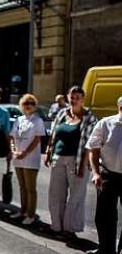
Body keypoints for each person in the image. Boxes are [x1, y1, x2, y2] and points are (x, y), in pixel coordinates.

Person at [45, 86, 98, 241]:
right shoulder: (62, 113)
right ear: (68, 97)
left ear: (82, 99)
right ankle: (56, 226)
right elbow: (54, 134)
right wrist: (48, 151)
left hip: (77, 160)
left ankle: (70, 229)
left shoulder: (89, 117)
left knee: (76, 196)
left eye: (77, 97)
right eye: (71, 97)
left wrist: (83, 165)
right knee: (55, 194)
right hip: (58, 158)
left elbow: (90, 143)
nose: (73, 100)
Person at [85, 96, 122, 254]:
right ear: (119, 108)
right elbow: (93, 148)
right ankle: (105, 249)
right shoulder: (105, 123)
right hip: (108, 174)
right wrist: (96, 172)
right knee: (104, 215)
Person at [9, 94, 46, 225]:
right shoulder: (18, 120)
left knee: (30, 188)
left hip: (30, 158)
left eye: (31, 103)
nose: (28, 105)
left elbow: (37, 139)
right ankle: (23, 210)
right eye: (25, 103)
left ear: (34, 106)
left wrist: (25, 152)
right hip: (18, 157)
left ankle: (31, 214)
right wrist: (14, 150)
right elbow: (12, 137)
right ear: (21, 106)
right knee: (22, 186)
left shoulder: (37, 121)